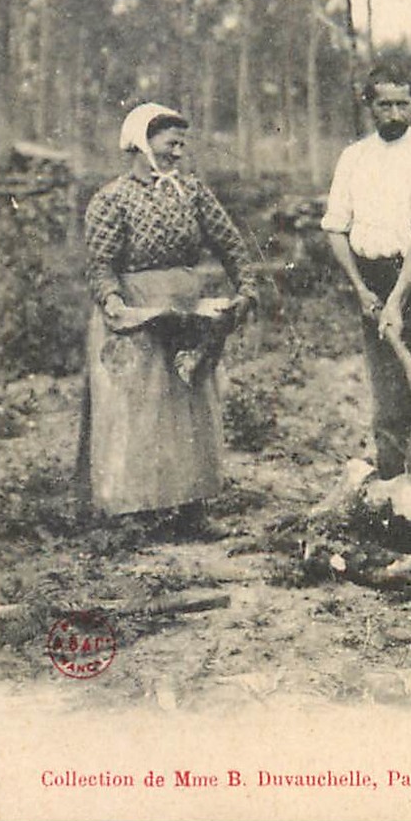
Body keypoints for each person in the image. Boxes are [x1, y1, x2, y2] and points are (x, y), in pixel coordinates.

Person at [79, 102, 258, 517]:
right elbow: (100, 264)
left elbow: (230, 243)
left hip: (184, 307)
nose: (177, 153)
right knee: (137, 410)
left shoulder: (192, 191)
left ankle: (191, 511)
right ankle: (133, 513)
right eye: (169, 143)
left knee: (189, 407)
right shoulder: (112, 199)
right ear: (142, 142)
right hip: (135, 313)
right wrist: (114, 302)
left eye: (181, 145)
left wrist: (246, 287)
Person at [322, 65, 411, 482]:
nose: (394, 114)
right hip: (375, 286)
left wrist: (398, 302)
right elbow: (336, 228)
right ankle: (390, 501)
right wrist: (363, 291)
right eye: (384, 104)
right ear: (369, 106)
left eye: (403, 104)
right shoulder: (355, 157)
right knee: (389, 403)